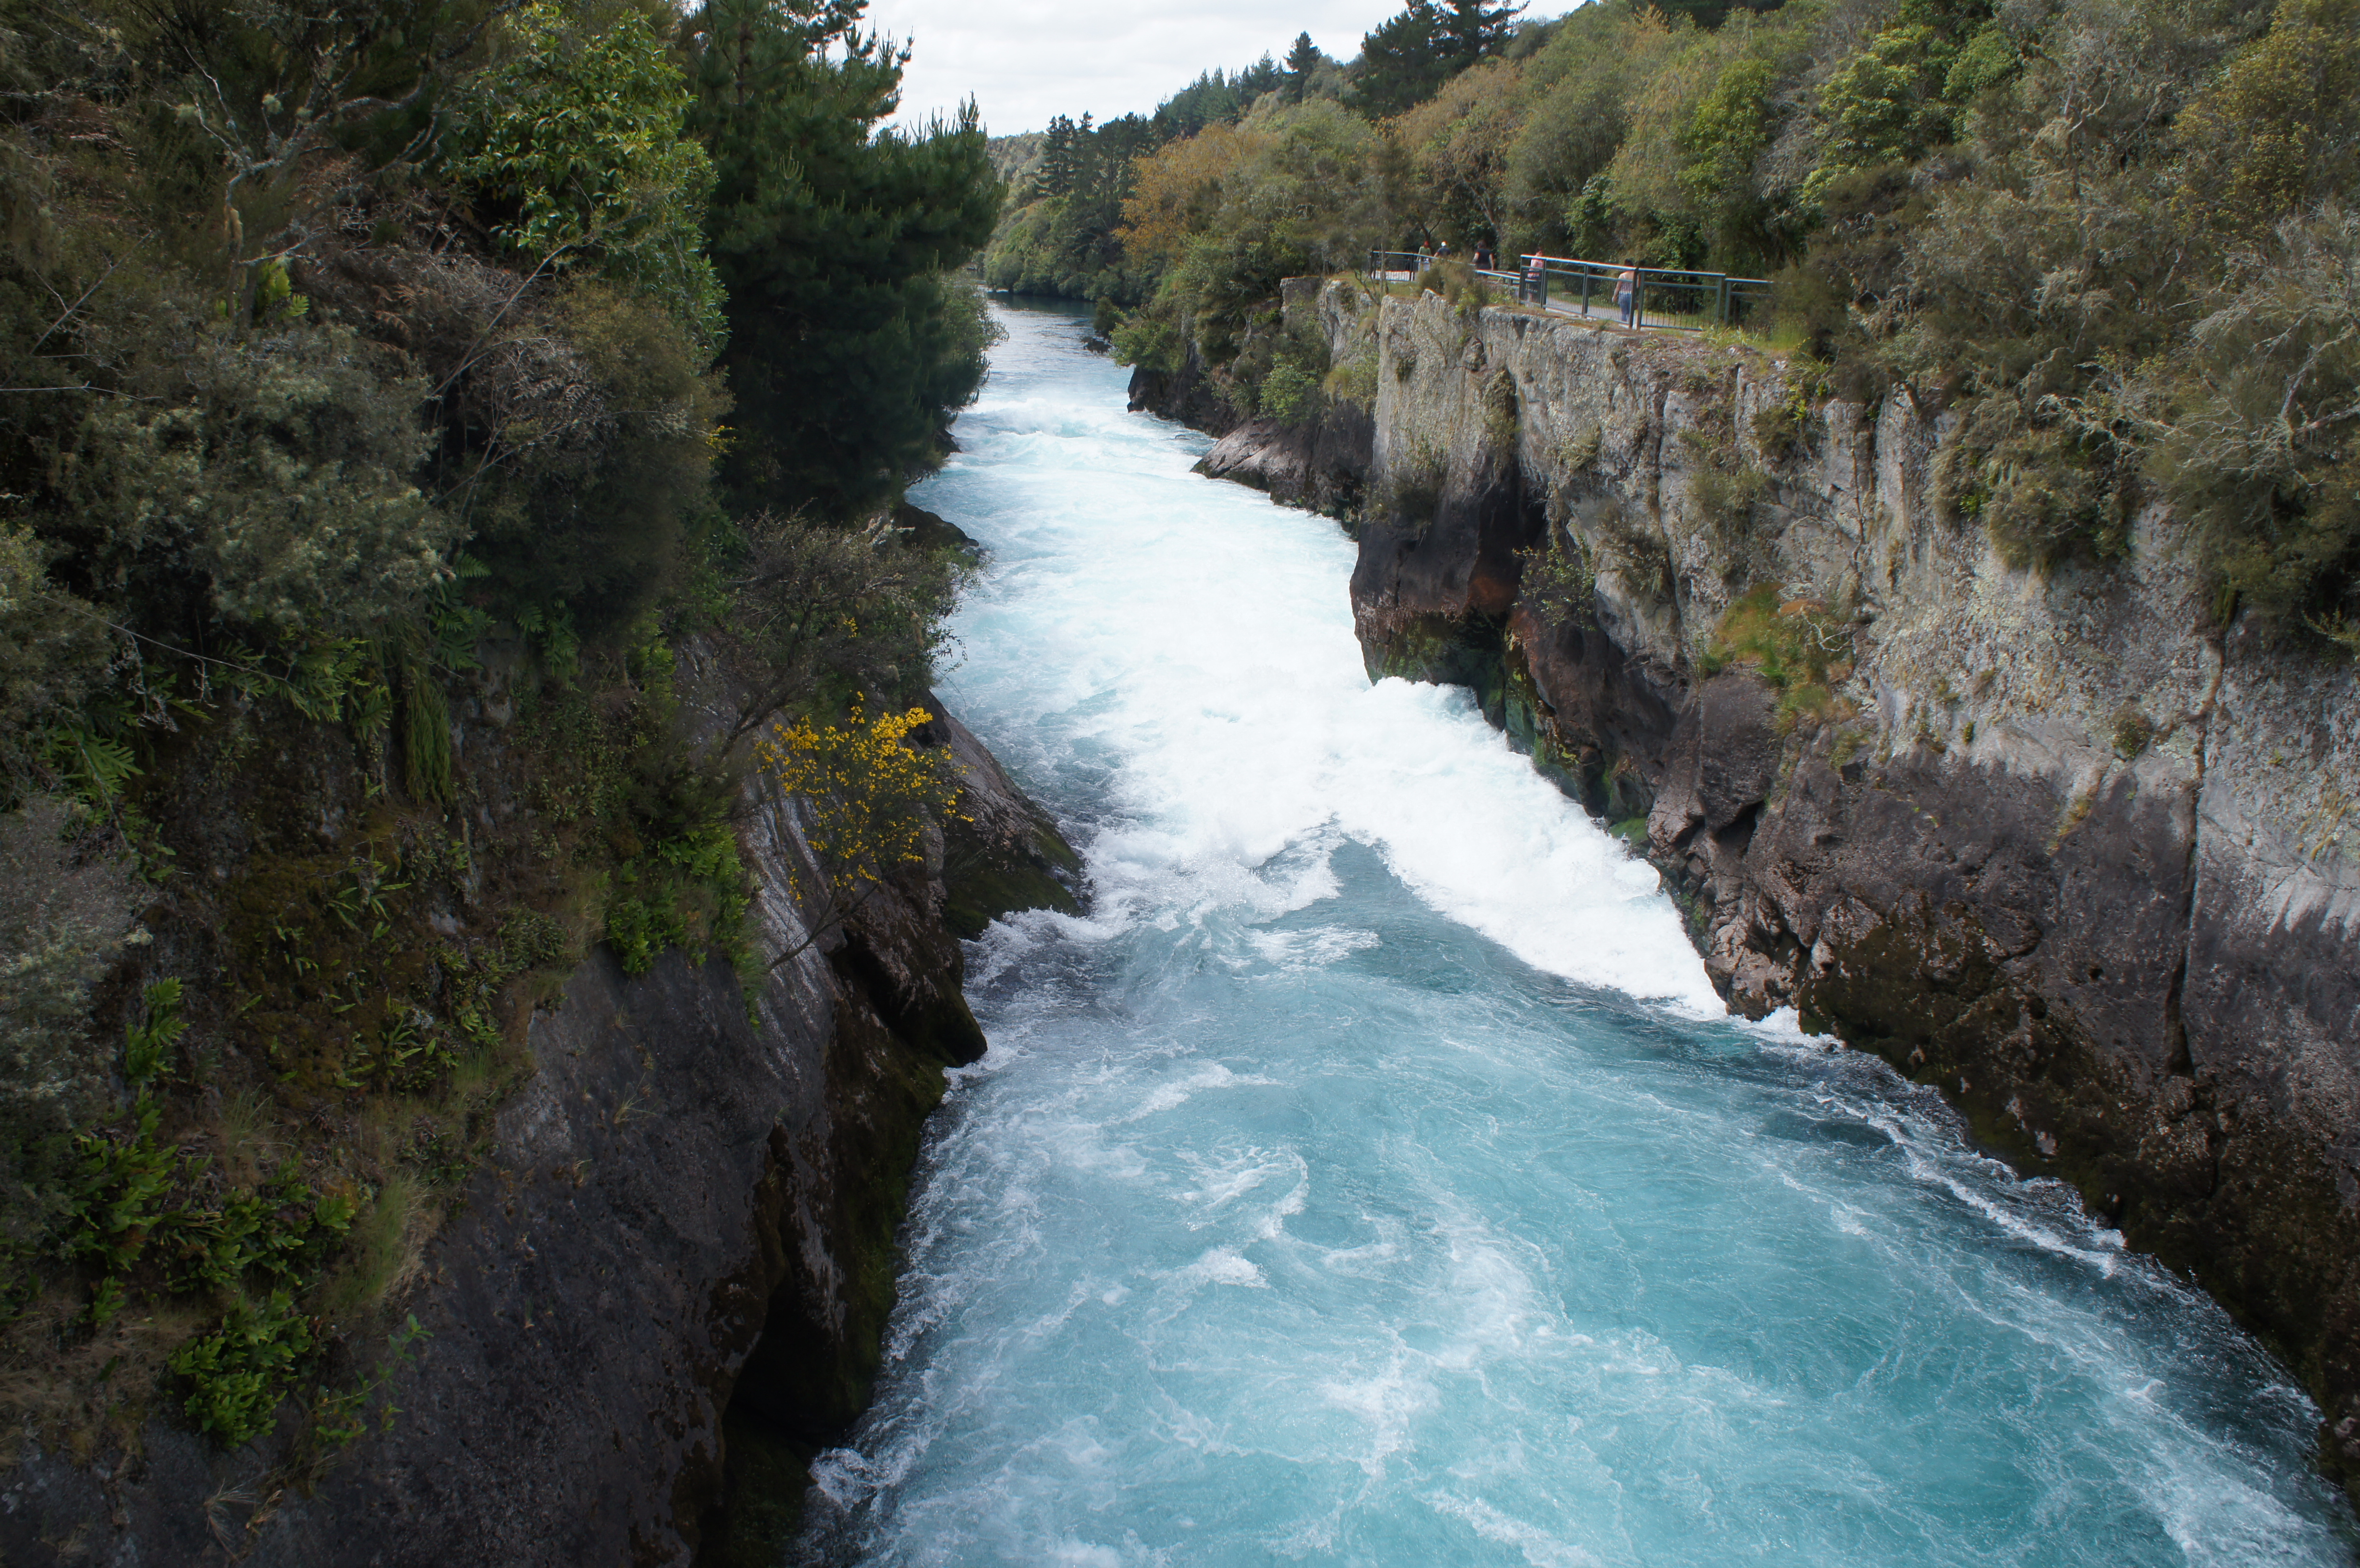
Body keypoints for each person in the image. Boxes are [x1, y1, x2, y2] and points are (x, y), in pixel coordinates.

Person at [1616, 264, 1638, 328]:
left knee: (1624, 312)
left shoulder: (1622, 276)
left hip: (1623, 295)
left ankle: (1623, 326)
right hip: (1632, 294)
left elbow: (1618, 287)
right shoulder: (1636, 276)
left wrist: (1615, 296)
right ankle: (1630, 326)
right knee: (1631, 312)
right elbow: (1638, 286)